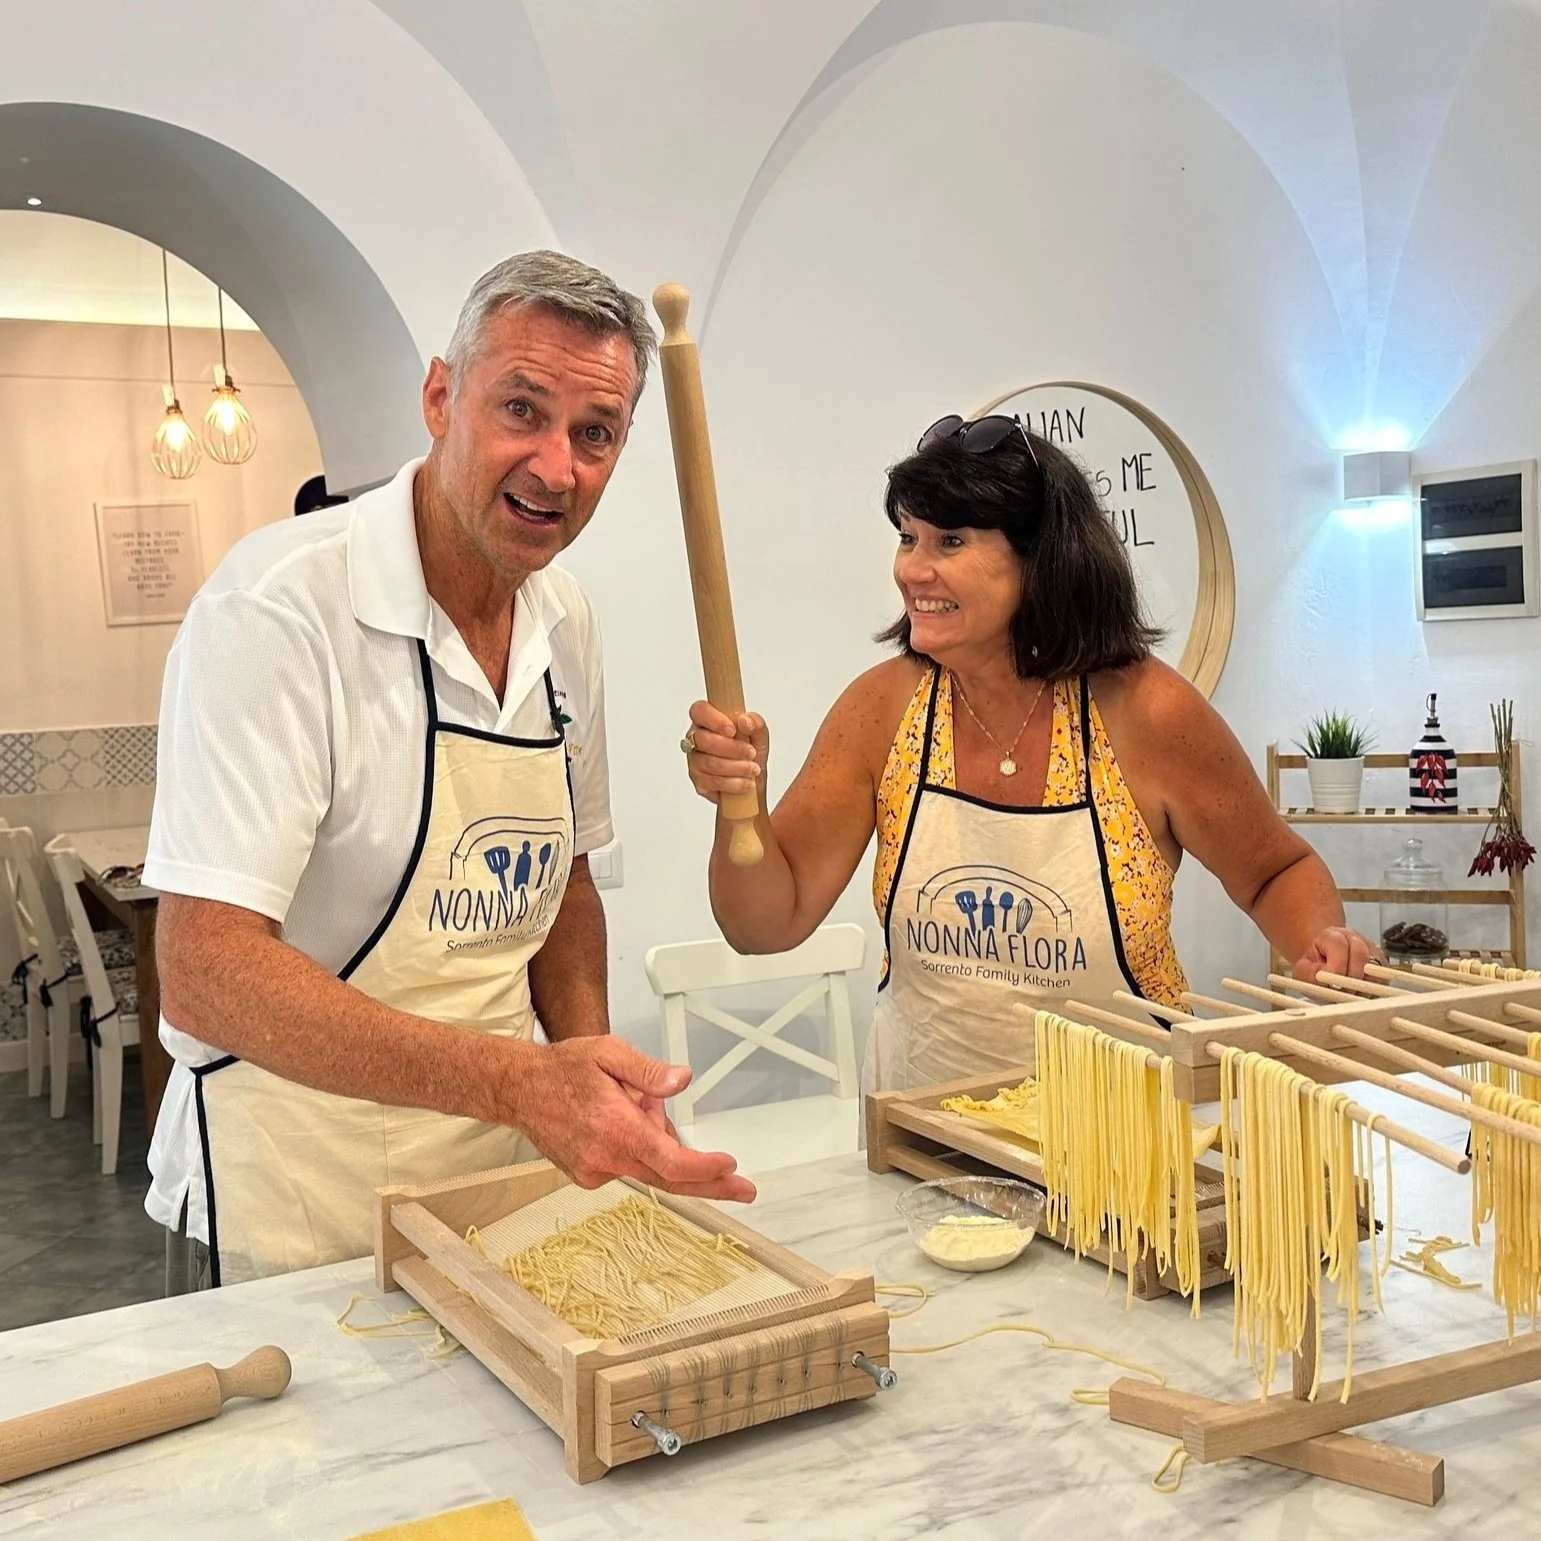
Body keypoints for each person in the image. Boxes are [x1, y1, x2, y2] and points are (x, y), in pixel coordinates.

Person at [146, 251, 754, 1290]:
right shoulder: (281, 607)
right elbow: (204, 970)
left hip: (496, 1198)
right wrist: (521, 1081)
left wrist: (594, 1078)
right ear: (440, 396)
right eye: (521, 409)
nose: (556, 466)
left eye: (594, 434)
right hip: (290, 1206)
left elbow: (559, 879)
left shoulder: (564, 621)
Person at [682, 412, 1381, 1093]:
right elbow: (763, 925)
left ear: (1040, 561)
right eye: (907, 537)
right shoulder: (882, 709)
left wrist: (1322, 942)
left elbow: (1272, 870)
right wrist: (738, 803)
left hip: (1123, 1144)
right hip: (930, 1136)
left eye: (949, 542)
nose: (912, 570)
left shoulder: (1147, 712)